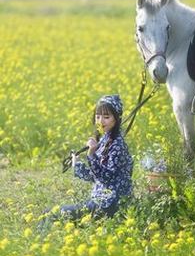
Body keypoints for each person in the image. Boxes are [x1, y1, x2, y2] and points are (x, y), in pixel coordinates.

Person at [40, 94, 133, 227]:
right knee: (50, 213)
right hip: (103, 201)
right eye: (98, 116)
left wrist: (91, 154)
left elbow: (107, 177)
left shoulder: (117, 145)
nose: (101, 121)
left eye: (106, 117)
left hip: (109, 204)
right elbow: (96, 176)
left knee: (49, 214)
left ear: (116, 119)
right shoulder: (105, 139)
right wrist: (77, 164)